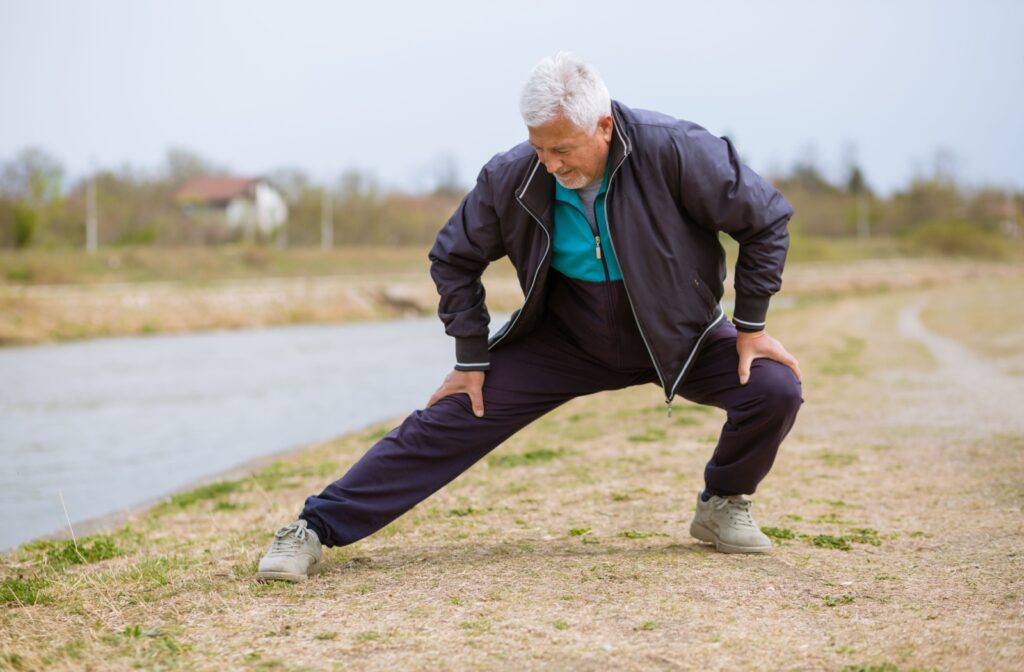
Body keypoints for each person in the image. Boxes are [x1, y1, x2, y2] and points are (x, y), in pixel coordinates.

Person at [255, 53, 803, 582]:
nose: (550, 163)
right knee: (448, 415)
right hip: (565, 339)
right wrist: (471, 357)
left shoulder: (677, 150)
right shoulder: (511, 176)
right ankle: (312, 527)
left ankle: (724, 501)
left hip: (679, 337)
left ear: (605, 125)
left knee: (775, 387)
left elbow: (766, 219)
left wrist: (750, 327)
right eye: (539, 147)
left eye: (562, 148)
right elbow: (453, 257)